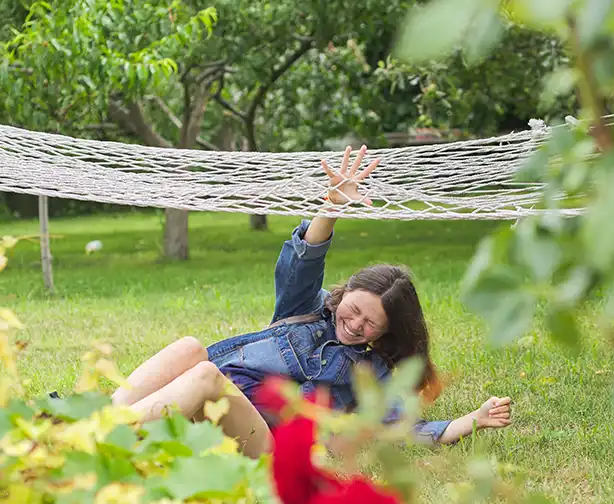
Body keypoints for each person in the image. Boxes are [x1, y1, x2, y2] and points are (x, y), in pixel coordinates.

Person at [109, 145, 512, 458]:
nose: (355, 325)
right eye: (354, 310)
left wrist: (467, 422)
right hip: (205, 411)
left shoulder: (372, 371)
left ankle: (100, 439)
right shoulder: (304, 310)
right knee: (190, 349)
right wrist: (332, 206)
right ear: (344, 293)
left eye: (370, 325)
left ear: (387, 333)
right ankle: (98, 419)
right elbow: (304, 260)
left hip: (260, 440)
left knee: (205, 375)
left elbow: (396, 428)